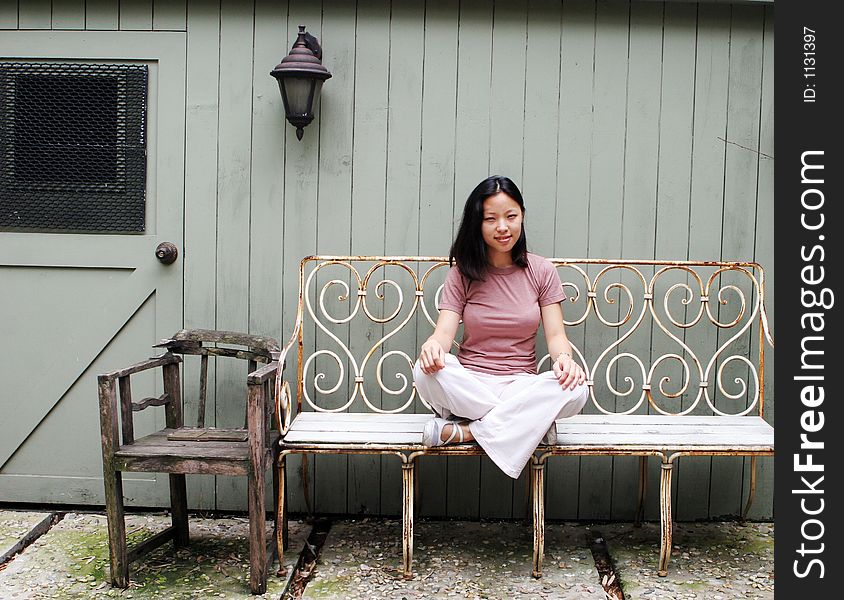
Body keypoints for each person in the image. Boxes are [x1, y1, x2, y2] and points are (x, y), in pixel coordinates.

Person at [412, 175, 589, 479]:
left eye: (511, 216)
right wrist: (432, 348)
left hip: (520, 385)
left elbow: (557, 336)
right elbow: (443, 334)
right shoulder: (462, 273)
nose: (503, 227)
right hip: (471, 383)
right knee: (423, 372)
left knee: (577, 390)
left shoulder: (541, 271)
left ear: (522, 215)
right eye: (491, 219)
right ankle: (530, 424)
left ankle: (468, 432)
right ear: (477, 224)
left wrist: (564, 361)